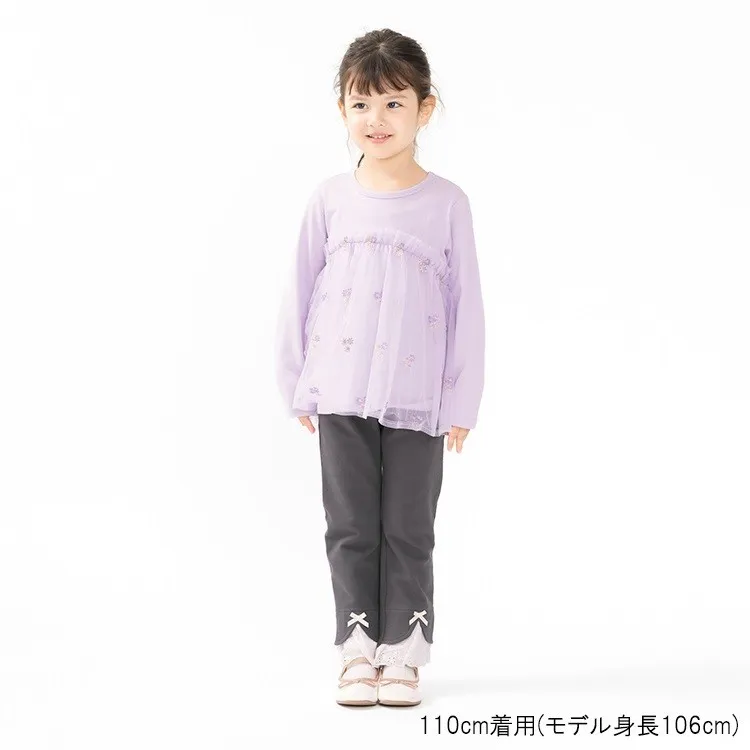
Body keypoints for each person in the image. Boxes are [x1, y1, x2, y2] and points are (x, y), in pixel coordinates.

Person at [274, 28, 485, 707]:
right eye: (361, 104)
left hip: (418, 397)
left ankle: (405, 652)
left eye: (394, 103)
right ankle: (357, 647)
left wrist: (461, 401)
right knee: (350, 524)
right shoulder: (330, 198)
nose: (377, 119)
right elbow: (300, 290)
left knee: (408, 526)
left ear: (425, 108)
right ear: (342, 109)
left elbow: (466, 305)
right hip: (339, 391)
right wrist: (296, 381)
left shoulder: (447, 203)